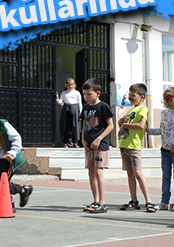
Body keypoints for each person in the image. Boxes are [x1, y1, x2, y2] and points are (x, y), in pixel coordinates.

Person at [148, 87, 174, 211]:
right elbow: (163, 130)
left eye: (169, 99)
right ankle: (164, 201)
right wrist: (148, 131)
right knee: (166, 176)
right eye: (165, 99)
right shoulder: (164, 113)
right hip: (165, 150)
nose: (166, 101)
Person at [117, 83, 156, 213]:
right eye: (129, 96)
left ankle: (149, 201)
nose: (130, 98)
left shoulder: (142, 109)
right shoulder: (132, 109)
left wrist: (126, 125)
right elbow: (124, 124)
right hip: (124, 145)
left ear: (142, 97)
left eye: (133, 96)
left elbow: (141, 126)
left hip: (134, 146)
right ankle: (133, 200)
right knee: (129, 173)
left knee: (138, 173)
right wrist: (121, 122)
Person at [80, 78, 114, 213]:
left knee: (99, 171)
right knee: (91, 172)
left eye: (89, 94)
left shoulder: (103, 107)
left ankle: (102, 202)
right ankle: (95, 200)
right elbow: (84, 125)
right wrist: (83, 140)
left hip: (100, 144)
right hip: (88, 144)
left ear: (98, 93)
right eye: (84, 94)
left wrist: (99, 138)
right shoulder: (86, 108)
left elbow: (110, 126)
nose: (86, 97)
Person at [55, 78, 82, 148]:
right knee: (66, 126)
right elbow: (61, 103)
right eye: (69, 85)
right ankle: (65, 142)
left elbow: (80, 103)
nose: (70, 86)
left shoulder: (77, 93)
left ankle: (75, 142)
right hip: (66, 109)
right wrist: (57, 98)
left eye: (72, 85)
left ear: (74, 85)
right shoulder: (64, 93)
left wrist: (80, 113)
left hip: (75, 109)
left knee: (75, 126)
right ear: (66, 85)